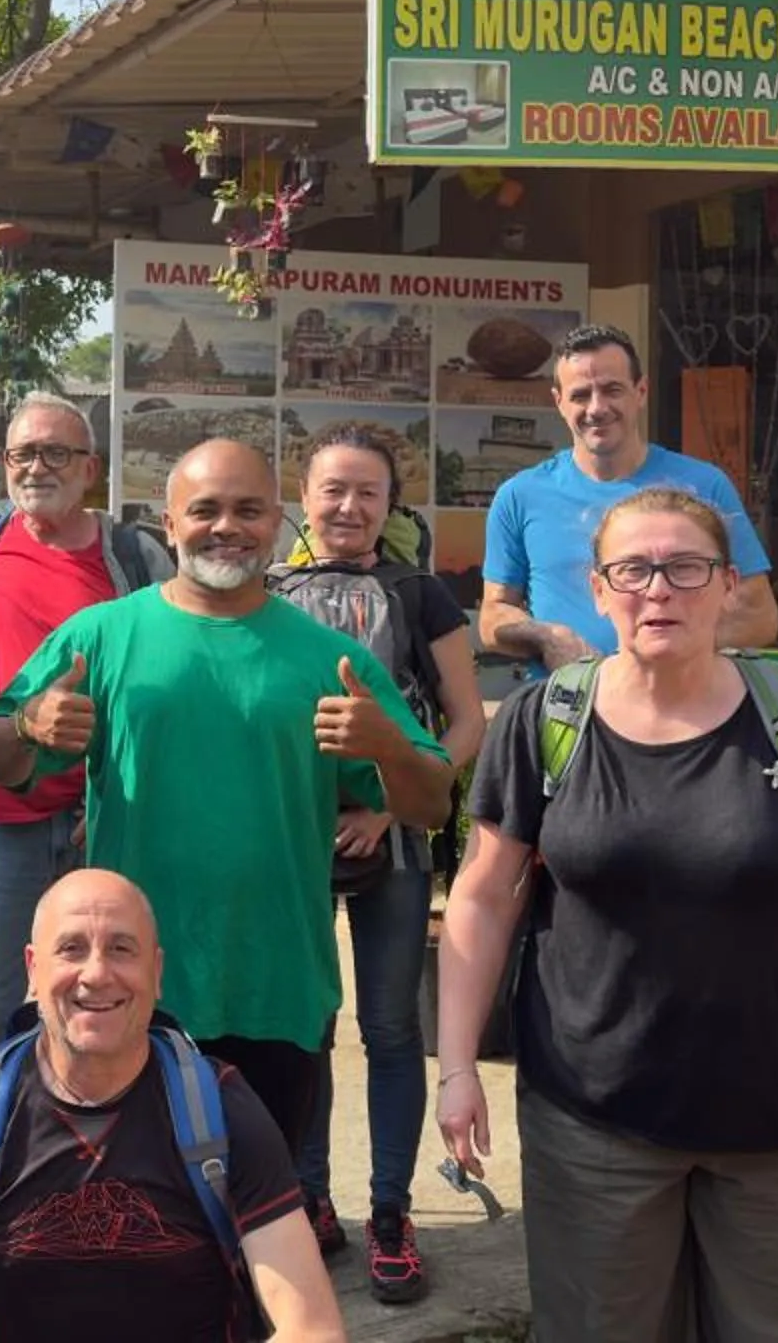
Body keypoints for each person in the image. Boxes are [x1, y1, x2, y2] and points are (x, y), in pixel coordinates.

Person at [436, 488, 778, 1342]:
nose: (659, 590)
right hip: (594, 1121)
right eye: (634, 570)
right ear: (600, 588)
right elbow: (480, 898)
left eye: (686, 568)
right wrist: (457, 1066)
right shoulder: (547, 723)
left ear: (727, 586)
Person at [0, 438, 451, 1180]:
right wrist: (32, 722)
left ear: (277, 523)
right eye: (205, 510)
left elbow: (430, 802)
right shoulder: (101, 637)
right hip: (130, 991)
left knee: (255, 1227)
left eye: (248, 510)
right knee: (128, 1220)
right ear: (169, 524)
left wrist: (389, 748)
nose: (226, 526)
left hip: (277, 987)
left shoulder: (327, 656)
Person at [0, 870, 343, 1343]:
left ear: (156, 973)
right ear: (32, 970)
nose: (96, 973)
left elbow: (312, 1326)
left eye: (121, 948)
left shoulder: (218, 1107)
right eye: (71, 948)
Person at [268, 424, 488, 1295]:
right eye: (333, 489)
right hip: (294, 844)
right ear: (306, 496)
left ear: (392, 506)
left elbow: (465, 719)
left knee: (393, 1029)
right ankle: (308, 1196)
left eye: (368, 493)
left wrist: (391, 803)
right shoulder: (268, 594)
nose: (349, 507)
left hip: (395, 840)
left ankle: (390, 1208)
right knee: (307, 1027)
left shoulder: (421, 594)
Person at [0, 390, 171, 1049]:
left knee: (109, 991)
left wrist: (122, 797)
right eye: (22, 454)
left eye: (55, 452)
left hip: (107, 815)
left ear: (90, 468)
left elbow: (167, 677)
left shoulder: (134, 558)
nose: (37, 468)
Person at [479, 325, 778, 668]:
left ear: (641, 391)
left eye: (612, 390)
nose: (596, 408)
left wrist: (646, 654)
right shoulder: (520, 496)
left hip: (684, 706)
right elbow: (492, 616)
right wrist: (548, 636)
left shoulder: (703, 486)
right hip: (568, 708)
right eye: (580, 395)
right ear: (558, 402)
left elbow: (759, 616)